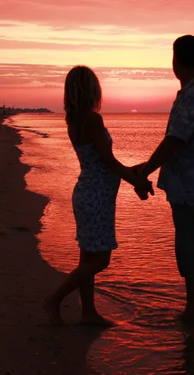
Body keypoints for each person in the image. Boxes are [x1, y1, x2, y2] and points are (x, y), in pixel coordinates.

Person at [42, 65, 154, 326]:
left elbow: (104, 163)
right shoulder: (92, 120)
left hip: (88, 192)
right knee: (101, 259)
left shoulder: (74, 120)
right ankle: (54, 299)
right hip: (96, 196)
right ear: (90, 89)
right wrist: (135, 179)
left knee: (87, 258)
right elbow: (108, 162)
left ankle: (88, 313)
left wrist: (137, 172)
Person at [135, 35, 194, 329]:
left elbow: (173, 142)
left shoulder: (193, 96)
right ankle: (191, 314)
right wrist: (146, 168)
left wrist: (144, 170)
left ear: (176, 61)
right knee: (187, 250)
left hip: (189, 189)